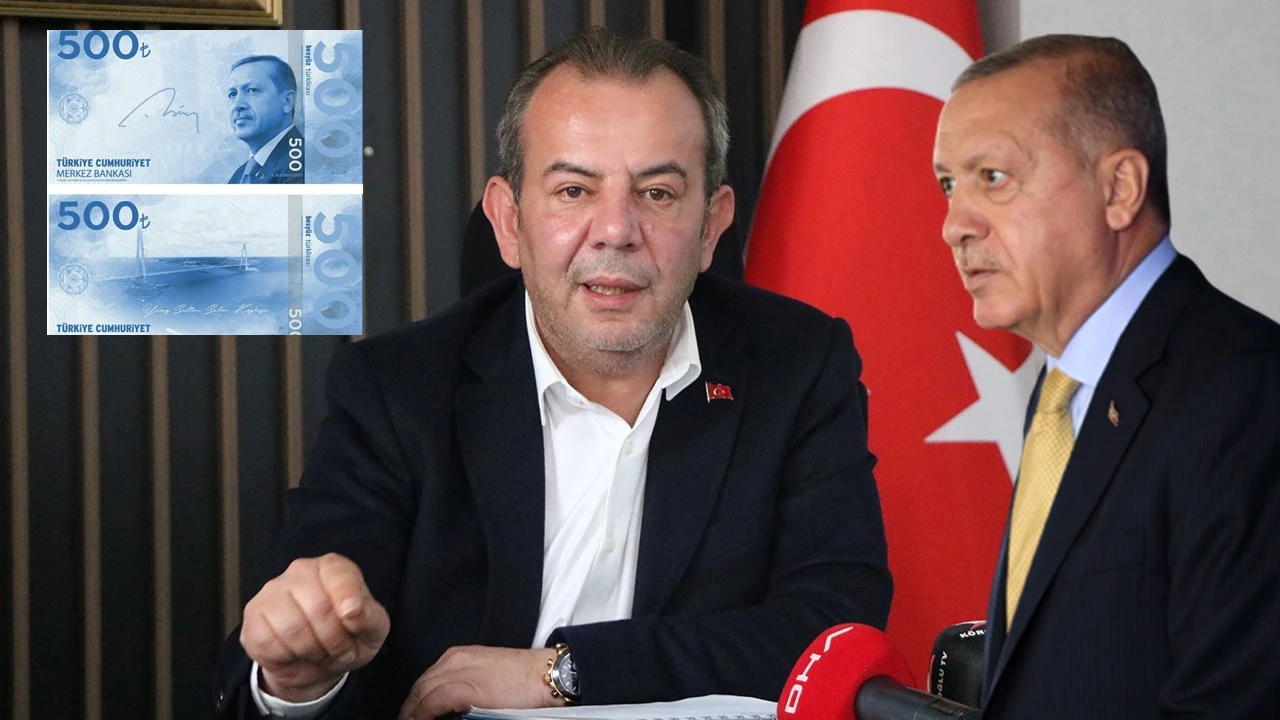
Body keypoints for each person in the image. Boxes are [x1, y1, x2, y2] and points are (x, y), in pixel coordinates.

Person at [213, 28, 891, 719]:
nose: (615, 230)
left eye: (658, 193)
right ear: (510, 222)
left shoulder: (797, 364)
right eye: (573, 190)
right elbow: (290, 644)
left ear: (711, 226)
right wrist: (300, 676)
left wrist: (564, 672)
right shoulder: (398, 389)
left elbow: (835, 626)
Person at [932, 34, 1280, 718]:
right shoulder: (1064, 389)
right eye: (949, 184)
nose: (954, 225)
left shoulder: (1246, 392)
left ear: (1119, 189)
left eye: (993, 178)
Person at [226, 55, 304, 184]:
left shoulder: (305, 164)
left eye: (252, 90)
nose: (237, 104)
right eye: (233, 94)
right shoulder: (238, 176)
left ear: (287, 101)